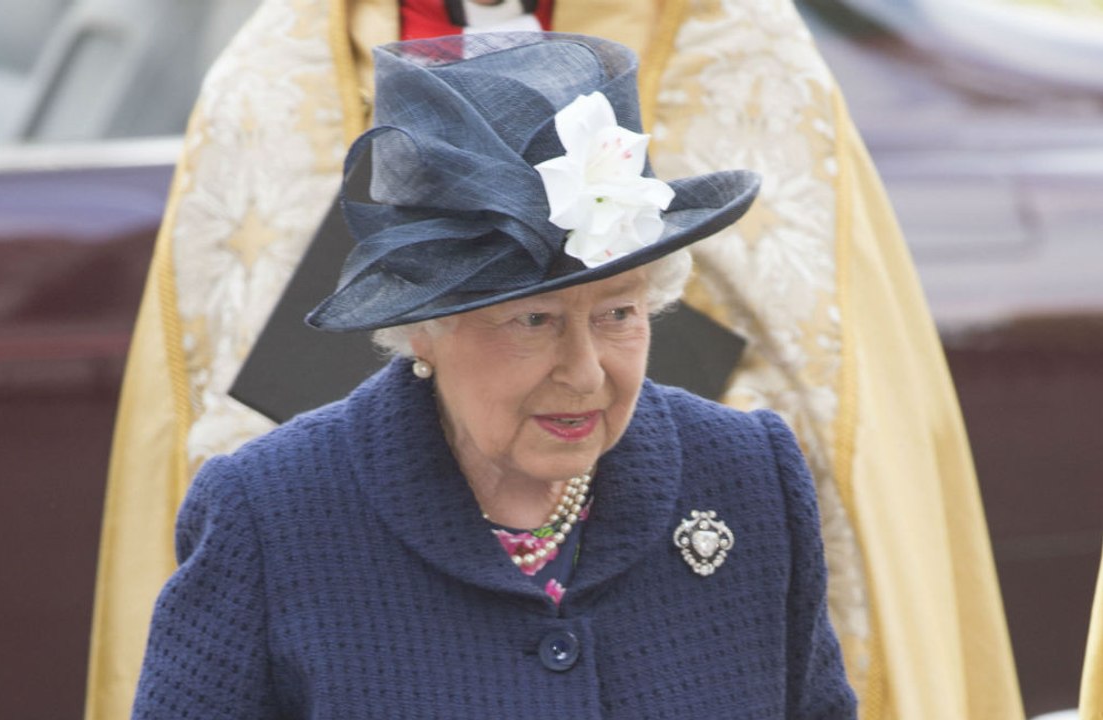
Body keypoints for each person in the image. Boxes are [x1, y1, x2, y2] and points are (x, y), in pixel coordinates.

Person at [87, 2, 1023, 719]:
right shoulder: (270, 515)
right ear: (423, 326)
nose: (585, 373)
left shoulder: (748, 480)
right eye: (532, 321)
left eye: (618, 313)